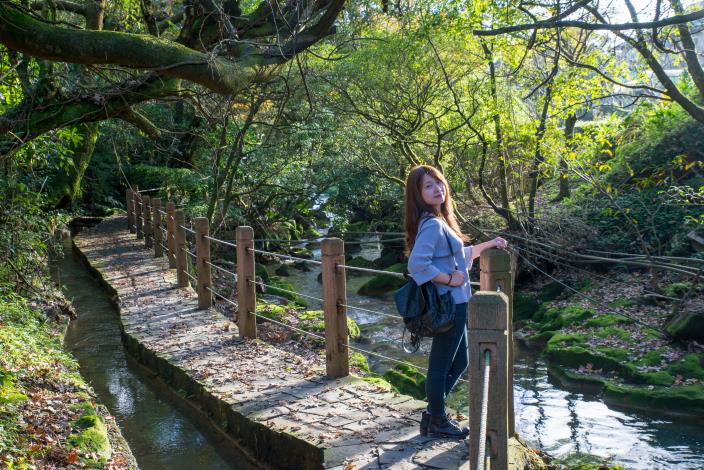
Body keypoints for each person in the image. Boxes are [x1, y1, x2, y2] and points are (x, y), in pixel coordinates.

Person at [404, 165, 508, 439]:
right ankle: (436, 417)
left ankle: (433, 413)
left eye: (438, 182)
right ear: (417, 194)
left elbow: (456, 254)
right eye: (428, 186)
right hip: (449, 304)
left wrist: (488, 245)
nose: (437, 188)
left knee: (460, 359)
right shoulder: (432, 224)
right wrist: (450, 280)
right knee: (441, 363)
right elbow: (417, 265)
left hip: (455, 302)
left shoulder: (437, 221)